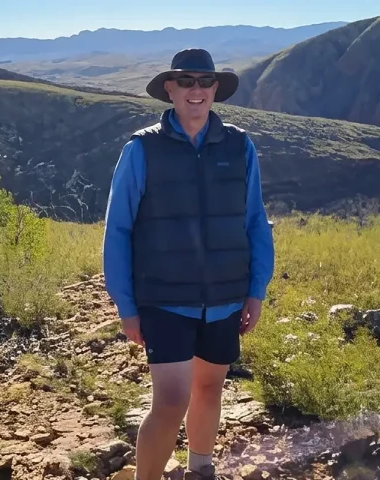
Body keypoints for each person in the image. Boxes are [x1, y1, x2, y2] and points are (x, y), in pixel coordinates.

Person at [102, 48, 275, 480]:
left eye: (204, 81)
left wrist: (256, 290)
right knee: (171, 401)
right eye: (185, 81)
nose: (195, 90)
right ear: (170, 89)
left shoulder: (239, 146)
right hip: (163, 298)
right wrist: (126, 306)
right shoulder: (142, 149)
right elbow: (118, 230)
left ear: (215, 89)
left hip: (225, 296)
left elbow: (255, 220)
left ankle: (200, 469)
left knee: (209, 387)